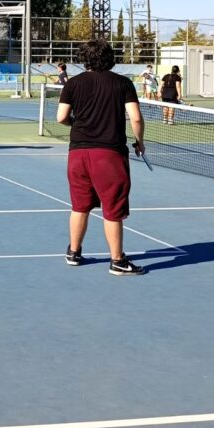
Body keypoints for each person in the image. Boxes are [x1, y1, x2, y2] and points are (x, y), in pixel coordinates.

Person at [56, 39, 146, 276]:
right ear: (109, 57)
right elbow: (136, 118)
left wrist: (78, 124)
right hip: (109, 155)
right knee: (113, 208)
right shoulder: (123, 83)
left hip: (77, 154)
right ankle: (117, 261)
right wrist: (140, 141)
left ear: (83, 58)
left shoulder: (73, 83)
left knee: (79, 205)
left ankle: (73, 252)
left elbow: (61, 117)